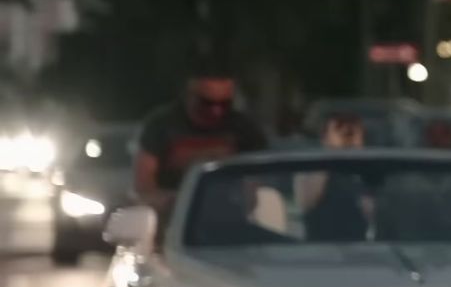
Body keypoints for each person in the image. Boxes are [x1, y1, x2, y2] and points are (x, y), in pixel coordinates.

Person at [135, 70, 268, 220]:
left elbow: (259, 183)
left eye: (225, 104)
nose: (216, 110)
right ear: (189, 96)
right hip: (173, 221)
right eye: (207, 103)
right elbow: (144, 187)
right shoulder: (161, 126)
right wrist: (177, 201)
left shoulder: (244, 128)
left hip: (231, 218)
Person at [297, 113, 372, 242]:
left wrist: (356, 156)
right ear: (324, 138)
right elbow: (307, 203)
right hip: (319, 247)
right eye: (339, 129)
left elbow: (372, 215)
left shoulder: (367, 172)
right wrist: (331, 154)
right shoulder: (312, 169)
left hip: (357, 248)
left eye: (352, 131)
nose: (347, 136)